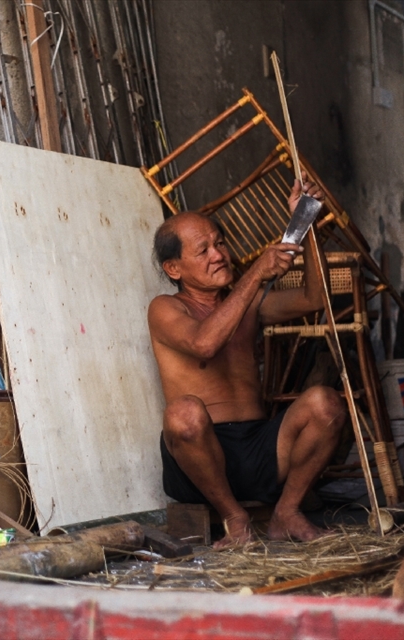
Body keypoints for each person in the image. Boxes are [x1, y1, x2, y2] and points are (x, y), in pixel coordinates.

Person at [148, 174, 345, 546]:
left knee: (326, 403)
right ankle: (235, 519)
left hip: (261, 447)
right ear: (174, 269)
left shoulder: (247, 303)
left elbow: (314, 300)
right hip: (201, 461)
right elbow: (205, 345)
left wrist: (307, 222)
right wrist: (256, 273)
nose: (219, 255)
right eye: (202, 250)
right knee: (183, 414)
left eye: (219, 243)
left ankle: (286, 512)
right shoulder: (165, 308)